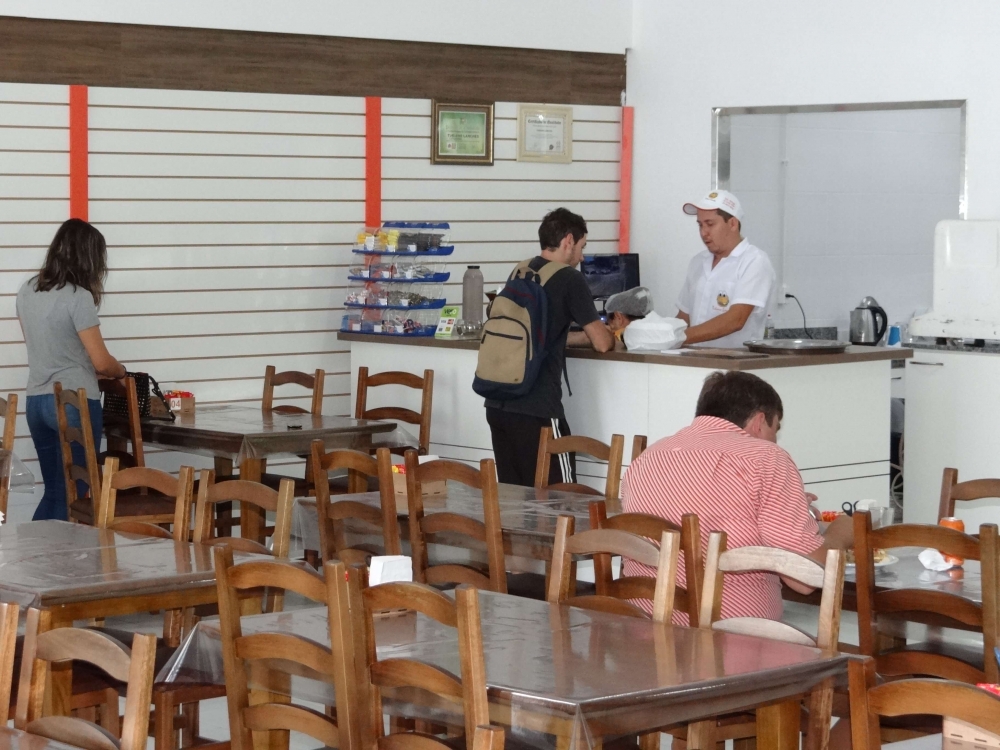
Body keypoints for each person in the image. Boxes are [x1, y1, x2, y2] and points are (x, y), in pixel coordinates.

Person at [621, 370, 853, 624]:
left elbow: (704, 503)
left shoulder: (649, 456)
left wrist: (784, 504)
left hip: (646, 635)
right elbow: (805, 578)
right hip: (732, 640)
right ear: (760, 421)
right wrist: (842, 532)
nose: (775, 439)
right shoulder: (766, 458)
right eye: (775, 428)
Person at [484, 208, 614, 487]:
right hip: (538, 410)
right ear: (568, 240)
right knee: (563, 498)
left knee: (515, 500)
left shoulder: (520, 270)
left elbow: (540, 334)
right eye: (582, 247)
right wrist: (614, 334)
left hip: (498, 405)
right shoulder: (570, 278)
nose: (581, 257)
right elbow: (602, 343)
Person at [16, 219, 127, 521]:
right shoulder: (78, 297)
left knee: (54, 492)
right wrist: (120, 371)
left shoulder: (27, 291)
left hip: (37, 401)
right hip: (73, 402)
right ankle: (65, 566)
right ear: (89, 258)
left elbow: (44, 348)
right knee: (75, 495)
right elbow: (102, 362)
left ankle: (35, 560)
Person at [676, 190, 775, 347]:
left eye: (710, 224)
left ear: (732, 224)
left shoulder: (754, 261)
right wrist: (660, 334)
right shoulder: (697, 262)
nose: (703, 232)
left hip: (736, 364)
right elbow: (683, 317)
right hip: (693, 363)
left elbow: (735, 320)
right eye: (700, 225)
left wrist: (678, 337)